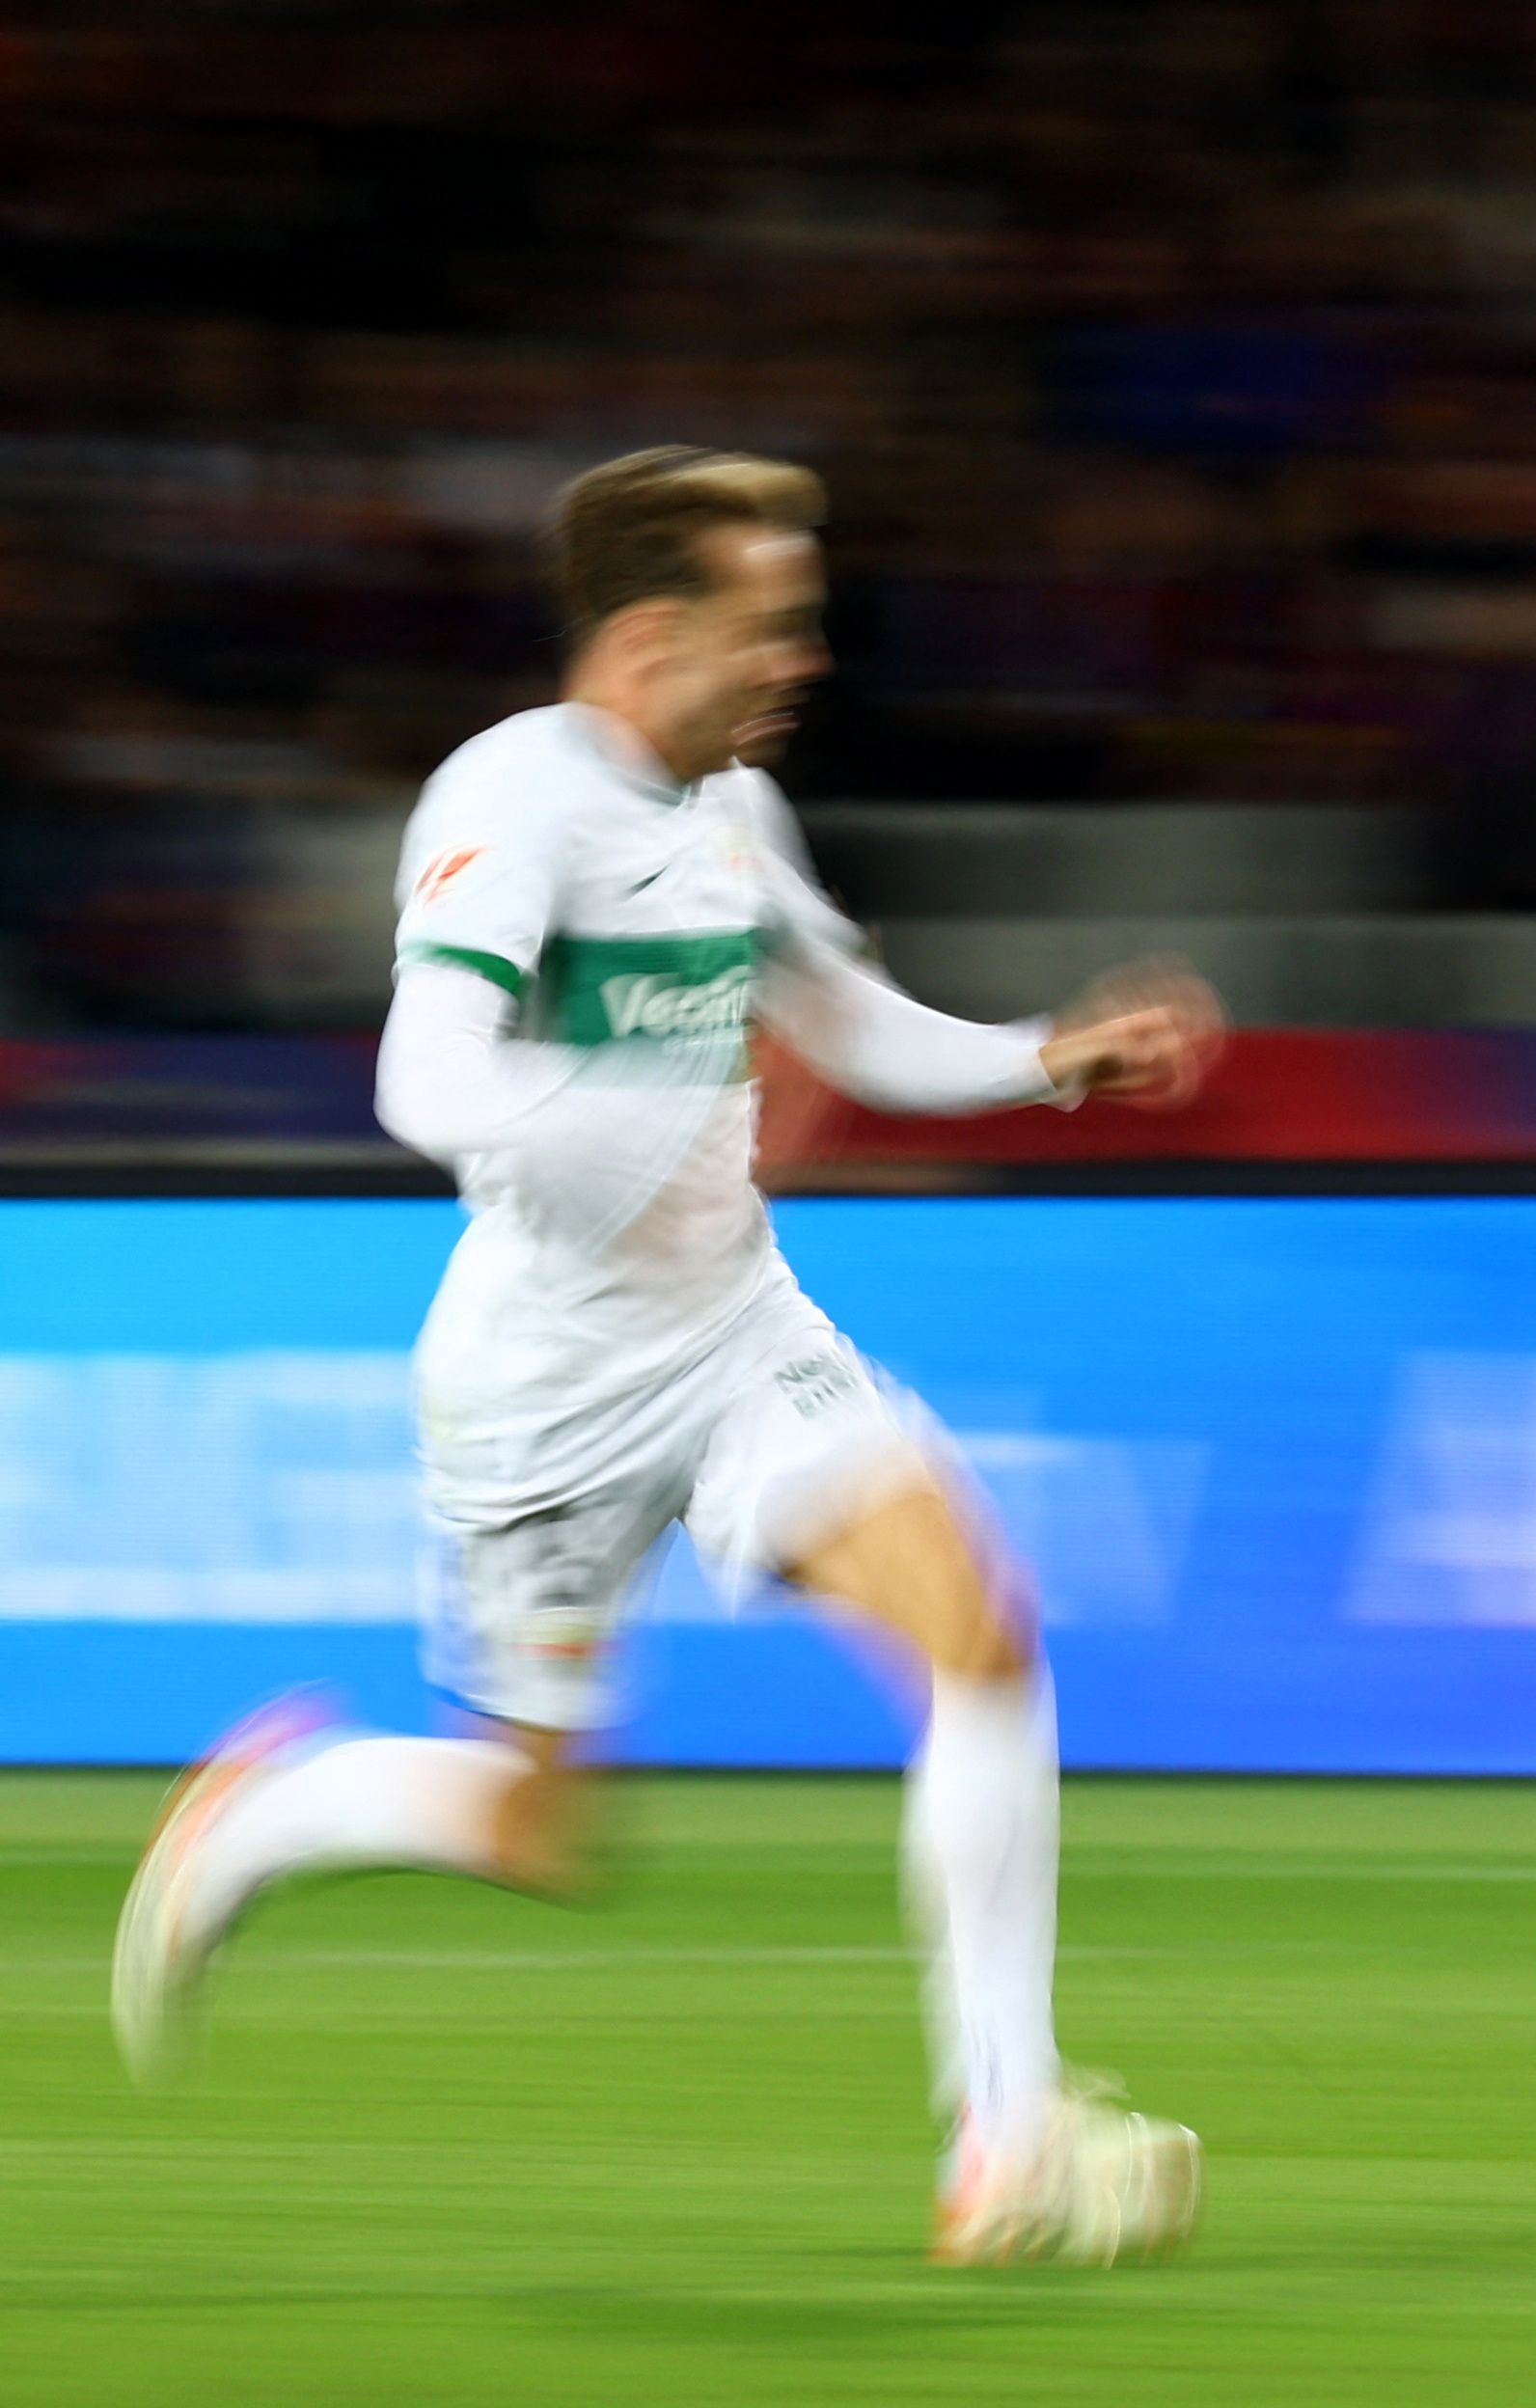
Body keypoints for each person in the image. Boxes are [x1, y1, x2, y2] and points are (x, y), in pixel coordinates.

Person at [112, 447, 1229, 2259]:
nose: (805, 660)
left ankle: (1008, 2141)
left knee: (983, 1639)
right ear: (649, 637)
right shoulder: (513, 801)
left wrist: (1050, 1056)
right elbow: (426, 1077)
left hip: (735, 1338)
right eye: (772, 626)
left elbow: (841, 1015)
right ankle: (271, 1811)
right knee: (538, 1832)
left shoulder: (735, 808)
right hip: (546, 1387)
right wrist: (635, 1127)